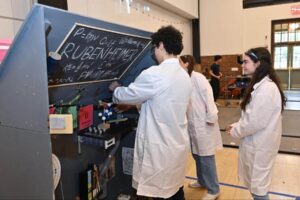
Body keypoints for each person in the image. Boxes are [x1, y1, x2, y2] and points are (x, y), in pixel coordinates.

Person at [109, 25, 192, 200]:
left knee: (159, 191)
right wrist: (134, 105)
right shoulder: (184, 75)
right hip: (176, 143)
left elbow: (128, 94)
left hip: (159, 146)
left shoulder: (155, 73)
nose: (154, 52)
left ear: (161, 45)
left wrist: (115, 90)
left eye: (154, 47)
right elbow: (161, 102)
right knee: (174, 189)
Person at [226, 47, 286, 200]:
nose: (243, 65)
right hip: (257, 143)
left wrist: (236, 131)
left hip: (260, 147)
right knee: (257, 188)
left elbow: (254, 122)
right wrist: (237, 125)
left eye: (246, 62)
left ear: (258, 63)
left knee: (259, 191)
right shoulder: (261, 85)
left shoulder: (266, 89)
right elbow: (252, 116)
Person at [179, 55, 223, 200]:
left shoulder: (197, 77)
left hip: (204, 123)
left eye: (179, 62)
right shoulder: (183, 79)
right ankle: (202, 181)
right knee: (197, 154)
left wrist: (211, 116)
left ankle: (214, 189)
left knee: (206, 156)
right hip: (192, 123)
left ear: (186, 64)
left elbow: (208, 96)